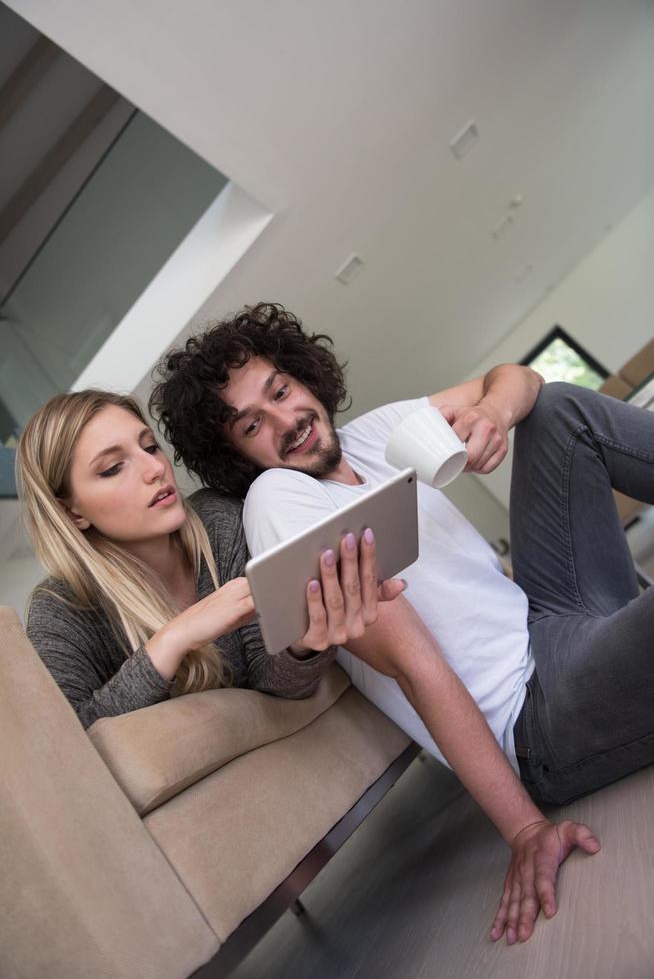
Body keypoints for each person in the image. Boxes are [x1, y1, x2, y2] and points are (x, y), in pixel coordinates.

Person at [149, 305, 654, 947]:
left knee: (557, 410)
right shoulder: (281, 501)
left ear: (305, 378)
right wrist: (526, 829)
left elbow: (514, 378)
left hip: (549, 621)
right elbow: (416, 666)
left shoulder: (373, 433)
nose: (287, 420)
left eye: (281, 391)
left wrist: (494, 413)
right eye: (254, 424)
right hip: (537, 718)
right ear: (238, 456)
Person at [17, 389, 402, 732]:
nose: (155, 469)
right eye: (113, 468)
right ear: (71, 514)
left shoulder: (219, 520)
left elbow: (279, 685)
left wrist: (303, 644)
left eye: (149, 447)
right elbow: (69, 750)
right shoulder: (61, 610)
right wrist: (173, 641)